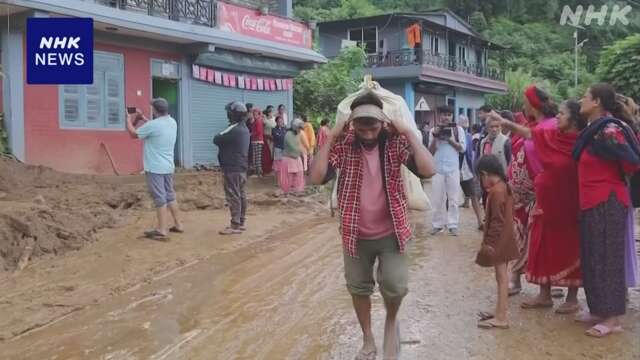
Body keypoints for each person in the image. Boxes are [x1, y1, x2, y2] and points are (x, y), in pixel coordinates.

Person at [309, 92, 435, 360]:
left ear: (383, 124)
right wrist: (331, 136)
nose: (367, 133)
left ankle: (391, 321)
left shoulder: (394, 143)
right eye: (361, 126)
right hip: (356, 235)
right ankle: (368, 339)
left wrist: (408, 132)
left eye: (373, 126)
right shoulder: (344, 144)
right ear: (352, 125)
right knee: (358, 288)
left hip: (392, 233)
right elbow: (317, 176)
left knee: (397, 286)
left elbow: (428, 169)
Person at [496, 100, 586, 314]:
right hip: (545, 205)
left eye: (562, 114)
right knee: (541, 247)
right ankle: (544, 295)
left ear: (574, 119)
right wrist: (505, 123)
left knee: (570, 250)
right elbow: (529, 134)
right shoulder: (553, 137)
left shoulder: (582, 144)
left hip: (568, 207)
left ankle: (572, 299)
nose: (558, 118)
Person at [572, 83, 640, 337]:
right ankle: (599, 309)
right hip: (591, 201)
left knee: (608, 259)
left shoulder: (610, 130)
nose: (581, 100)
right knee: (593, 257)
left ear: (597, 102)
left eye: (585, 97)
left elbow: (632, 163)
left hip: (608, 201)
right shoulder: (594, 130)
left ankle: (612, 319)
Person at [507, 85, 558, 296]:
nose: (523, 105)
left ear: (534, 103)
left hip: (539, 192)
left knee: (540, 238)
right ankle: (516, 278)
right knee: (517, 235)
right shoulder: (526, 125)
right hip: (519, 195)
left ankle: (548, 283)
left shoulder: (549, 126)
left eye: (525, 101)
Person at [125, 98, 183, 240]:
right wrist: (143, 118)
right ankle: (178, 224)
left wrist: (128, 119)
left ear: (155, 110)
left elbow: (133, 134)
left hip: (155, 167)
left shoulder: (154, 125)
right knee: (170, 194)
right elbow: (155, 127)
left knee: (160, 197)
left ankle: (162, 229)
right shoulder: (172, 122)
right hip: (168, 166)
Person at [475, 154, 519, 330]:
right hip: (507, 239)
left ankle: (501, 317)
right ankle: (500, 312)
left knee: (501, 279)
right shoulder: (504, 187)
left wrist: (489, 245)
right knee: (502, 278)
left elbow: (496, 222)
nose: (481, 182)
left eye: (480, 177)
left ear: (485, 174)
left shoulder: (496, 192)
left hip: (499, 242)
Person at [213, 102, 251, 235]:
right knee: (241, 194)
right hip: (240, 167)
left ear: (232, 114)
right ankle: (240, 222)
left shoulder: (234, 129)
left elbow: (216, 139)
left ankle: (235, 225)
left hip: (232, 168)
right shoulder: (244, 128)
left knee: (234, 195)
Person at [428, 105, 466, 236]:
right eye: (443, 115)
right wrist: (436, 137)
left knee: (454, 198)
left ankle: (453, 225)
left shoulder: (458, 130)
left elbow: (462, 149)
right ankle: (437, 225)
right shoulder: (433, 130)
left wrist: (449, 139)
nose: (446, 117)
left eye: (449, 115)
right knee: (437, 199)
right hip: (437, 169)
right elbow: (430, 151)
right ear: (439, 116)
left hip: (453, 169)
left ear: (452, 116)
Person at [458, 115, 483, 230]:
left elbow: (469, 155)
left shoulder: (469, 137)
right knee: (448, 196)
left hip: (466, 171)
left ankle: (479, 221)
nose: (463, 129)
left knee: (473, 195)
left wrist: (474, 172)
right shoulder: (465, 136)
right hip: (457, 170)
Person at [278, 119, 306, 195]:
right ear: (295, 127)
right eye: (299, 128)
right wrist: (302, 151)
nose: (300, 130)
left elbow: (298, 146)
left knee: (298, 176)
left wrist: (301, 152)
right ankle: (287, 192)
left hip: (296, 158)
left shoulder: (297, 134)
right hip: (289, 158)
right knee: (288, 178)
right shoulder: (288, 135)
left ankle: (296, 191)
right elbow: (293, 147)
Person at [250, 107, 265, 177]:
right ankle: (256, 172)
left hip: (258, 141)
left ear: (259, 115)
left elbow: (258, 131)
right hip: (255, 140)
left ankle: (259, 172)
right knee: (255, 157)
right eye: (254, 114)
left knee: (257, 157)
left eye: (256, 114)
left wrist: (251, 134)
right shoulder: (255, 121)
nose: (254, 115)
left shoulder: (258, 121)